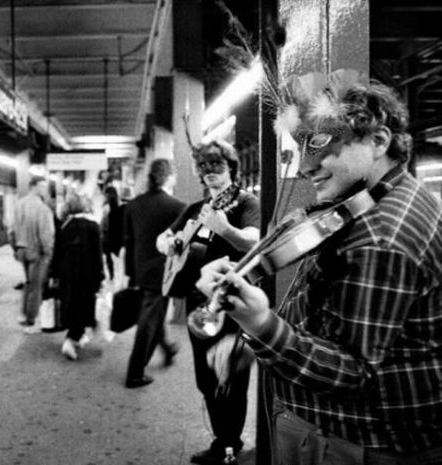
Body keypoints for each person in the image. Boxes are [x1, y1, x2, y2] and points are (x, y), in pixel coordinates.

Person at [196, 74, 442, 464]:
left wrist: (261, 326)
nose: (307, 166)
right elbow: (329, 312)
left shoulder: (381, 236)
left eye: (323, 145)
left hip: (354, 439)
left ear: (378, 141)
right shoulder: (375, 199)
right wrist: (258, 343)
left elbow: (351, 371)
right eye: (301, 146)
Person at [156, 140, 260, 464]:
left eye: (217, 167)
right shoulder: (194, 210)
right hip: (198, 302)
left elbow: (254, 239)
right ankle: (222, 440)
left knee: (230, 374)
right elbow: (162, 239)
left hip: (231, 302)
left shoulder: (245, 202)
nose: (210, 174)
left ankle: (231, 443)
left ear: (231, 168)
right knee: (206, 375)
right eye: (204, 169)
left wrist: (226, 229)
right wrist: (171, 244)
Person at [123, 158, 186, 388]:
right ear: (169, 177)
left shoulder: (133, 205)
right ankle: (134, 372)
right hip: (164, 272)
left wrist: (130, 274)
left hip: (141, 271)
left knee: (154, 315)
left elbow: (128, 242)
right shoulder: (177, 207)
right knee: (148, 321)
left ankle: (167, 349)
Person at [50, 192, 104, 360]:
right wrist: (100, 277)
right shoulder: (92, 226)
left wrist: (54, 274)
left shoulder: (63, 227)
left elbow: (57, 253)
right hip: (87, 274)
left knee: (72, 304)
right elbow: (97, 255)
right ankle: (71, 340)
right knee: (84, 305)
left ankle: (77, 335)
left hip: (67, 274)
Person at [11, 175, 56, 333]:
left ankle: (23, 314)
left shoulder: (18, 205)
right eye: (42, 186)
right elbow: (45, 234)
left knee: (28, 283)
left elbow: (11, 230)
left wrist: (15, 248)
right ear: (34, 187)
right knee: (37, 286)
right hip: (37, 251)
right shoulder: (42, 208)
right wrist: (49, 251)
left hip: (22, 249)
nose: (44, 189)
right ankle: (32, 320)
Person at [100, 185, 124, 281]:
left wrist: (101, 231)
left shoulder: (106, 208)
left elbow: (103, 224)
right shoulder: (122, 206)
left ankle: (112, 276)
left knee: (109, 257)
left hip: (109, 235)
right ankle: (117, 275)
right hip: (119, 235)